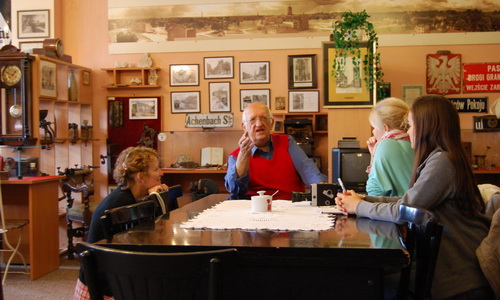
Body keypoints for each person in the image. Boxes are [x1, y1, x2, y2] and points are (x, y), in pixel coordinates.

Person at [335, 95, 493, 299]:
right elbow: (407, 201)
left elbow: (404, 211)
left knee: (361, 282)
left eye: (410, 126)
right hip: (448, 271)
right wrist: (363, 200)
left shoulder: (443, 163)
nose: (407, 132)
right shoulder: (441, 158)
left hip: (459, 280)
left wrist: (358, 207)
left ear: (427, 127)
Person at [74, 146, 168, 300]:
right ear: (141, 177)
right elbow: (148, 240)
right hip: (103, 290)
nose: (161, 173)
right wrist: (156, 199)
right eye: (156, 169)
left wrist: (156, 198)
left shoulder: (128, 197)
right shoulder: (123, 204)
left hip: (110, 281)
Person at [225, 102, 327, 200]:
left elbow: (308, 170)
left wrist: (322, 189)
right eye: (252, 120)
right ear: (244, 127)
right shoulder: (235, 156)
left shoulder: (287, 143)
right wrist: (243, 155)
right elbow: (235, 189)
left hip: (291, 208)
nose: (259, 124)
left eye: (263, 118)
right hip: (255, 210)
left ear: (271, 123)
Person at [366, 97, 414, 197]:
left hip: (395, 209)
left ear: (385, 127)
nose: (373, 132)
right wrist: (374, 153)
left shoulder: (386, 144)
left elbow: (375, 192)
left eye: (374, 127)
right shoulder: (413, 142)